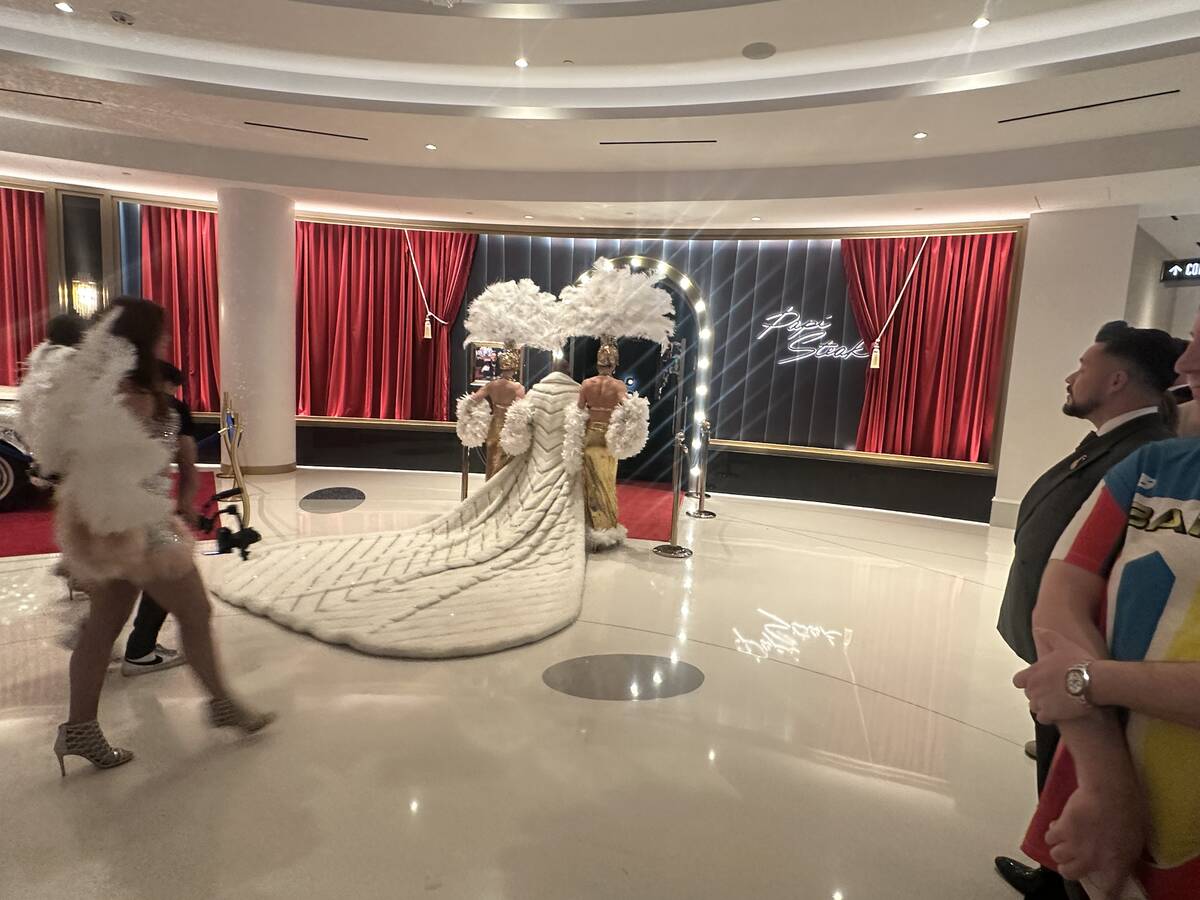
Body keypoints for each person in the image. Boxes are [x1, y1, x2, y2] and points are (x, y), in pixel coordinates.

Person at [1013, 314, 1200, 900]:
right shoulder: (1153, 466)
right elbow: (1062, 595)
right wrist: (1104, 779)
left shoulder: (1146, 445)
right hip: (1106, 757)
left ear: (1117, 380)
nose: (1186, 364)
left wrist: (1086, 680)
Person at [48, 297, 273, 776]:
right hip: (139, 527)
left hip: (119, 524)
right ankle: (221, 703)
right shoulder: (128, 395)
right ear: (143, 338)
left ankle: (79, 729)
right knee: (195, 611)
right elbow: (105, 468)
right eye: (161, 332)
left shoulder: (116, 389)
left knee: (101, 629)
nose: (167, 339)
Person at [121, 361, 196, 676]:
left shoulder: (113, 404)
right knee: (168, 575)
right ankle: (140, 650)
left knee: (115, 587)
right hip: (150, 509)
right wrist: (186, 504)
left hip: (111, 506)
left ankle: (101, 643)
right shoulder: (171, 409)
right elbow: (188, 463)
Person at [574, 337, 649, 549]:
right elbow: (629, 407)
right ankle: (604, 529)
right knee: (606, 483)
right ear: (615, 364)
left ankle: (591, 529)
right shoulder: (618, 386)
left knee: (590, 484)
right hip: (608, 438)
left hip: (589, 436)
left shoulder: (586, 384)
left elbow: (578, 412)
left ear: (598, 362)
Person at [474, 346, 525, 479]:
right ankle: (502, 488)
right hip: (509, 425)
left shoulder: (492, 384)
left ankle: (489, 484)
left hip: (494, 424)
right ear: (514, 369)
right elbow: (521, 408)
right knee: (506, 459)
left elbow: (474, 399)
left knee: (492, 457)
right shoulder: (517, 387)